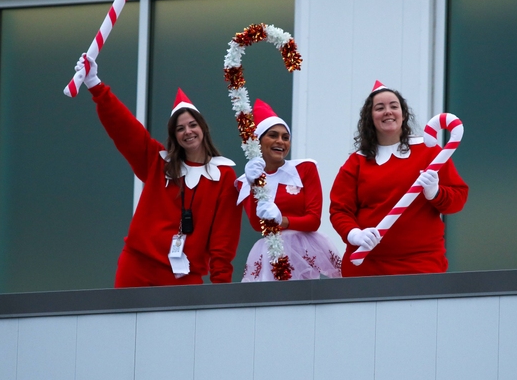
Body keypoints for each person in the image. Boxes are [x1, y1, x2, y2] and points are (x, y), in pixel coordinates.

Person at [76, 54, 241, 287]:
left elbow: (224, 239)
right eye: (180, 128)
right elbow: (124, 129)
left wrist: (220, 287)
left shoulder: (224, 175)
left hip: (185, 276)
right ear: (174, 136)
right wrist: (95, 85)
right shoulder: (158, 162)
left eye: (193, 125)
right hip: (137, 266)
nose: (188, 132)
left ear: (203, 128)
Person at [329, 80, 468, 276]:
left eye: (394, 106)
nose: (388, 111)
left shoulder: (430, 152)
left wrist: (435, 193)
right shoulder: (356, 162)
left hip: (421, 264)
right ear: (370, 117)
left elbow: (458, 200)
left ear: (403, 114)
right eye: (380, 108)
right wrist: (355, 235)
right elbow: (339, 210)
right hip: (367, 264)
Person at [236, 99, 342, 281]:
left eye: (285, 137)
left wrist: (283, 221)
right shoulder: (246, 180)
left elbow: (313, 220)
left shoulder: (305, 169)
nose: (281, 141)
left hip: (307, 247)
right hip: (270, 250)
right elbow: (257, 225)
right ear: (258, 142)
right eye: (273, 135)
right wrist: (254, 185)